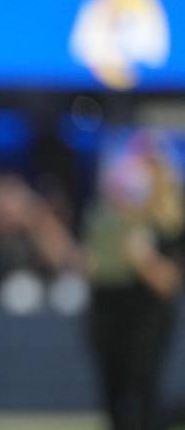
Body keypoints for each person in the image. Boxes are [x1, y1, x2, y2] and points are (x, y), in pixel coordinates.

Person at [83, 133, 183, 430]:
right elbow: (89, 265)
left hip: (147, 316)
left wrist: (143, 257)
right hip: (107, 311)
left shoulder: (170, 223)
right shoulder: (104, 217)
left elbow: (168, 283)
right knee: (112, 393)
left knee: (142, 391)